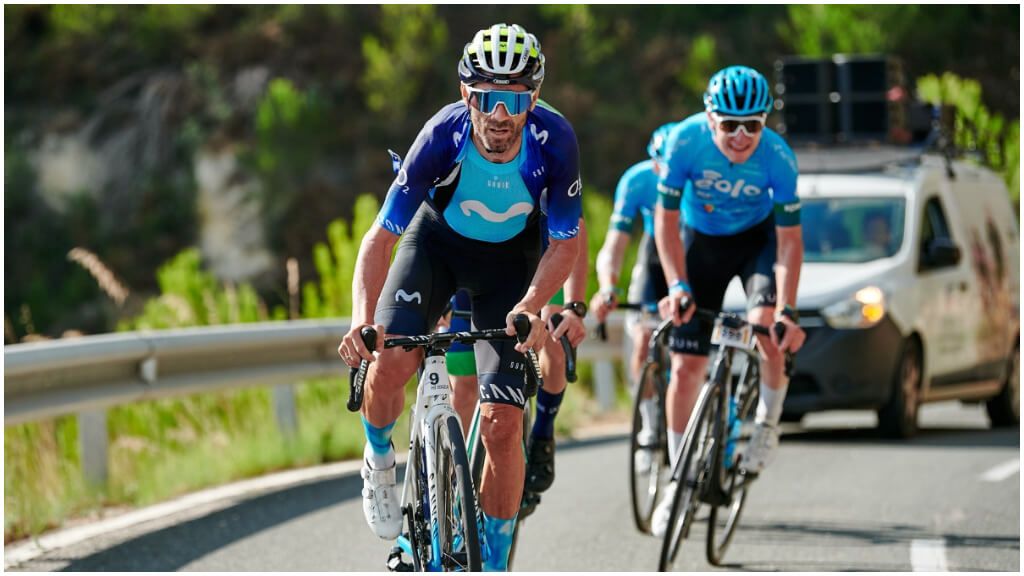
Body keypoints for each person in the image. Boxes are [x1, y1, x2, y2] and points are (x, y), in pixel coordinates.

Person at [336, 23, 582, 571]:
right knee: (392, 359)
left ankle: (493, 555)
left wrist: (533, 305)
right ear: (467, 94)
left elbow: (565, 243)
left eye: (515, 99)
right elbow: (380, 238)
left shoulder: (555, 140)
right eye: (488, 97)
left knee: (501, 423)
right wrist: (361, 320)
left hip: (509, 267)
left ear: (533, 98)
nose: (500, 115)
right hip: (436, 248)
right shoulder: (442, 135)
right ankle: (379, 459)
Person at [649, 65, 807, 537]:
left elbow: (789, 242)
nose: (740, 136)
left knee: (766, 330)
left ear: (764, 123)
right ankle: (679, 481)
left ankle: (768, 421)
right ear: (708, 118)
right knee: (684, 369)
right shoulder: (684, 141)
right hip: (701, 245)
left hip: (756, 245)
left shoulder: (779, 157)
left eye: (752, 126)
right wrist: (677, 286)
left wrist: (788, 308)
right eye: (728, 125)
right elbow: (664, 222)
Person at [444, 216, 589, 495]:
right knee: (462, 389)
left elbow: (576, 229)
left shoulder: (542, 173)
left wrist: (573, 307)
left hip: (539, 258)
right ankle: (449, 492)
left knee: (556, 338)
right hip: (472, 259)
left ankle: (543, 435)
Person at [589, 122, 679, 474]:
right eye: (660, 166)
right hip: (656, 256)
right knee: (642, 340)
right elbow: (615, 243)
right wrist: (608, 286)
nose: (666, 175)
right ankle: (650, 429)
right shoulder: (638, 180)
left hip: (694, 253)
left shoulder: (701, 181)